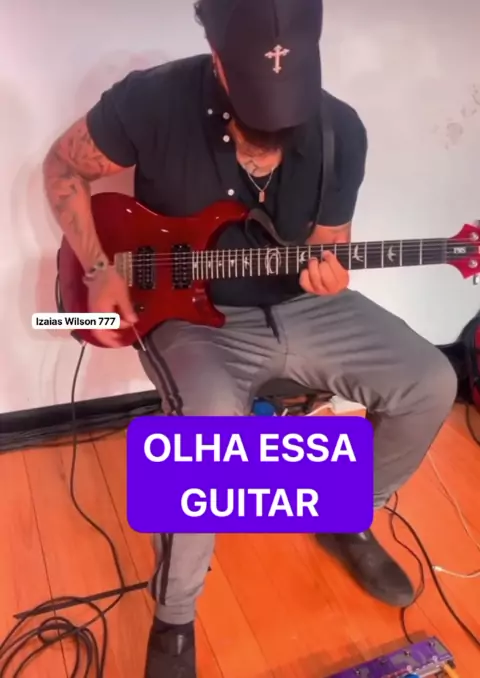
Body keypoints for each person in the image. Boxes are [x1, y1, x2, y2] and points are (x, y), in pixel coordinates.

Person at [42, 0, 457, 675]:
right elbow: (63, 168)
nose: (269, 147)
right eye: (253, 124)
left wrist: (329, 274)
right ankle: (175, 617)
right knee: (206, 432)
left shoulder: (342, 130)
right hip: (191, 317)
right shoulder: (152, 100)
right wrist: (97, 268)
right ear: (219, 66)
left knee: (431, 380)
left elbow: (331, 244)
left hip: (301, 307)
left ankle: (344, 513)